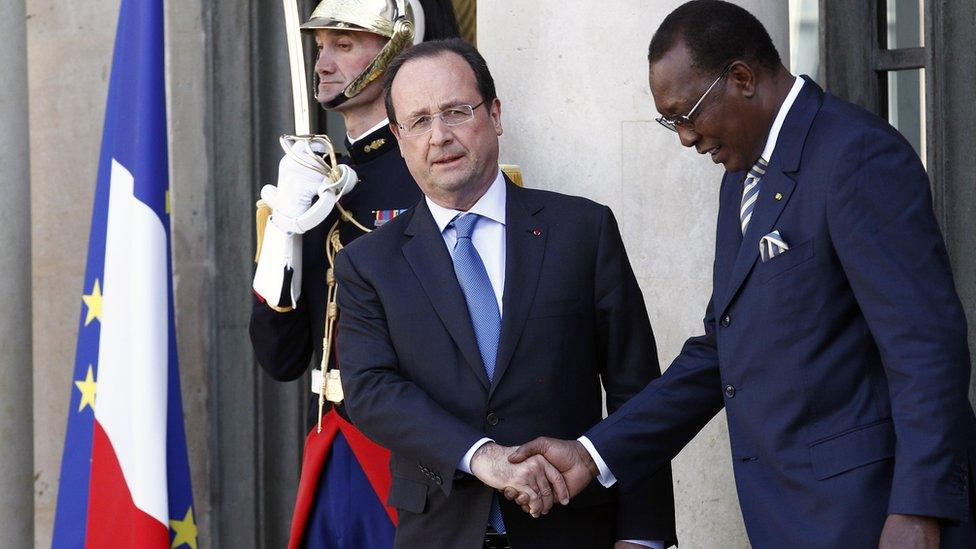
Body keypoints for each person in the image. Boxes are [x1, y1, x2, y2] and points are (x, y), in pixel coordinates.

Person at [509, 2, 976, 548]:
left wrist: (921, 509)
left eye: (687, 114)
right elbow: (720, 353)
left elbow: (926, 349)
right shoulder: (741, 175)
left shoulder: (857, 156)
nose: (684, 137)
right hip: (788, 518)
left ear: (741, 78)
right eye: (669, 122)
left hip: (873, 517)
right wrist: (593, 453)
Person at [334, 38, 677, 549]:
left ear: (494, 114)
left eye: (456, 111)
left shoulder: (583, 230)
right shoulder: (367, 263)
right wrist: (482, 454)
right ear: (401, 140)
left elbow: (638, 393)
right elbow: (372, 391)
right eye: (419, 121)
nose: (440, 136)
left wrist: (646, 536)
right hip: (440, 531)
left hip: (577, 530)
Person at [248, 1, 461, 547]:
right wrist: (284, 230)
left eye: (344, 45)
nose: (322, 64)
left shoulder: (436, 177)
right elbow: (280, 356)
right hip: (331, 444)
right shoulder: (314, 181)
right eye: (321, 47)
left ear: (397, 47)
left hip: (415, 457)